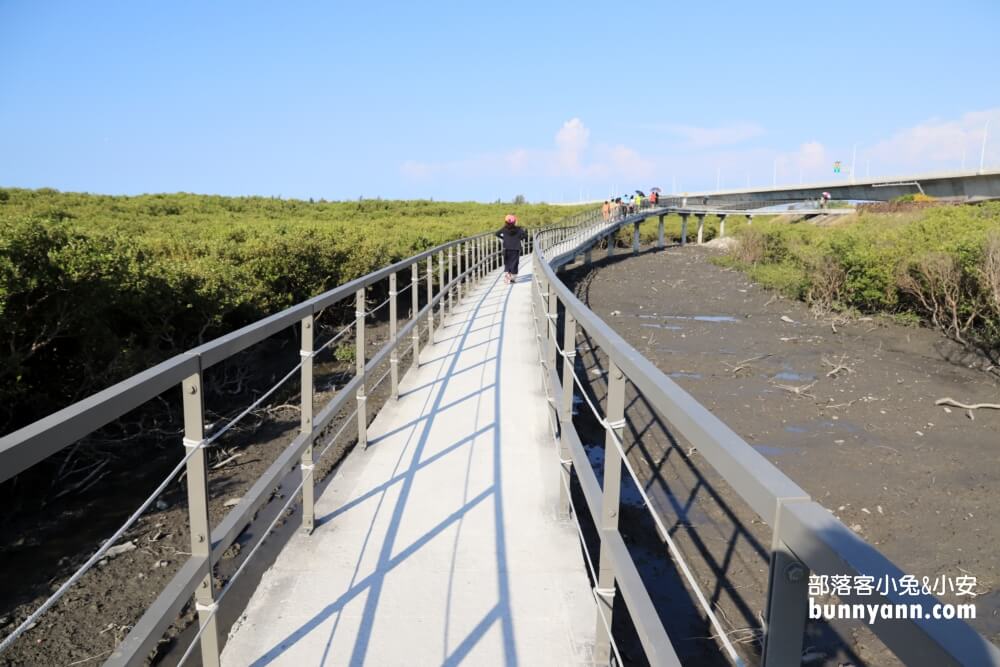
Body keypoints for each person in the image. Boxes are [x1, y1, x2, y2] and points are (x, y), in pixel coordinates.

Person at [496, 214, 527, 285]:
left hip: (506, 248)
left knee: (507, 262)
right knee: (514, 263)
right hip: (516, 248)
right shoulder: (519, 229)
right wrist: (519, 238)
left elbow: (497, 234)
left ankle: (507, 273)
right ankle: (512, 278)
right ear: (515, 221)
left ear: (506, 221)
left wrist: (504, 238)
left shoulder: (504, 229)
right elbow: (525, 235)